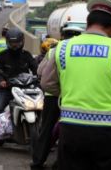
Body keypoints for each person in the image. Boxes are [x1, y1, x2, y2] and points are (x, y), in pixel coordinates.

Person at [40, 0, 111, 170]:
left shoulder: (62, 48)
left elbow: (47, 84)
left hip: (71, 131)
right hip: (109, 135)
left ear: (88, 23)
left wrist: (69, 89)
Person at [0, 28, 38, 154]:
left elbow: (36, 69)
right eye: (12, 43)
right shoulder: (2, 56)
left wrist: (39, 77)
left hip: (24, 89)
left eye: (17, 43)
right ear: (8, 43)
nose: (15, 46)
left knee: (40, 106)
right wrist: (1, 80)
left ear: (22, 42)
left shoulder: (26, 55)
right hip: (6, 89)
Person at [31, 25, 82, 169]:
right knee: (70, 129)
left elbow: (40, 71)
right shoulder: (81, 53)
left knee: (47, 129)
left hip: (52, 95)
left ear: (62, 36)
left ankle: (38, 161)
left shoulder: (55, 50)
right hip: (73, 96)